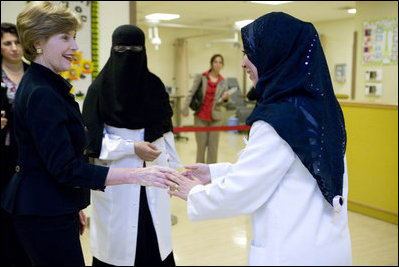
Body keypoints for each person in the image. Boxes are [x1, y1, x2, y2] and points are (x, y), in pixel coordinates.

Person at [165, 12, 352, 266]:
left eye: (251, 52)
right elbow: (284, 173)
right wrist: (215, 173)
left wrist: (195, 193)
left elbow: (245, 190)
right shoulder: (319, 109)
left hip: (290, 252)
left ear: (276, 54)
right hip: (327, 247)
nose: (243, 62)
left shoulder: (277, 118)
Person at [0, 2, 175, 266]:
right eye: (65, 38)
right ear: (38, 42)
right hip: (43, 210)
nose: (75, 47)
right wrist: (136, 173)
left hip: (53, 205)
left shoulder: (46, 84)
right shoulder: (42, 93)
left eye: (75, 37)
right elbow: (65, 167)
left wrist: (73, 203)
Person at [82, 24, 181, 266]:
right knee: (118, 250)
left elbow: (165, 130)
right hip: (118, 182)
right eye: (121, 48)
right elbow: (92, 142)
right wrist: (131, 148)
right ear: (112, 49)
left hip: (154, 182)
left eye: (135, 48)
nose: (128, 54)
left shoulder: (154, 86)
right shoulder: (99, 90)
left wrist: (174, 170)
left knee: (154, 242)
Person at [0, 22, 31, 266]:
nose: (14, 48)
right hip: (3, 154)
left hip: (30, 153)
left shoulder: (34, 73)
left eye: (17, 42)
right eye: (7, 43)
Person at [181, 54, 229, 164]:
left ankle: (211, 173)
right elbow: (191, 93)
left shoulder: (223, 81)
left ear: (222, 65)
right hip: (200, 117)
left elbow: (221, 102)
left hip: (215, 119)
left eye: (220, 62)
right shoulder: (202, 77)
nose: (218, 64)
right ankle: (199, 172)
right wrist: (185, 108)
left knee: (213, 149)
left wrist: (225, 99)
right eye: (215, 62)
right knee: (201, 148)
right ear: (211, 63)